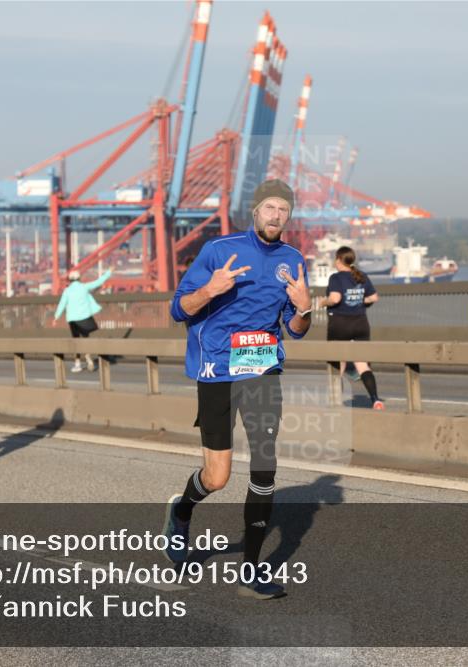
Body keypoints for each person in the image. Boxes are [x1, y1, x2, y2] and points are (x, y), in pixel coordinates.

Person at [163, 178, 312, 600]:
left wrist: (303, 308)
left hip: (262, 368)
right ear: (255, 210)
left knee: (265, 467)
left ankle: (251, 570)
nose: (276, 215)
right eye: (270, 207)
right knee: (218, 476)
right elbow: (178, 309)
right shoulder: (218, 251)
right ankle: (181, 511)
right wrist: (210, 289)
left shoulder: (293, 258)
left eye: (284, 209)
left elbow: (296, 331)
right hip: (217, 370)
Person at [320, 246, 384, 410]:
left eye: (335, 258)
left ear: (339, 260)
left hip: (340, 324)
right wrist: (358, 302)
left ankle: (335, 403)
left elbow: (335, 298)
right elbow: (373, 297)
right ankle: (376, 400)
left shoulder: (336, 278)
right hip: (360, 323)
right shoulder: (362, 276)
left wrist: (323, 302)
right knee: (362, 365)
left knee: (338, 366)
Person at [52, 267, 112, 372]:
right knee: (85, 339)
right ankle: (88, 359)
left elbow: (62, 304)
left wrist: (56, 318)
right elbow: (98, 282)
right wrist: (109, 272)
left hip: (73, 319)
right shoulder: (84, 287)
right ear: (79, 278)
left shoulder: (67, 291)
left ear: (70, 280)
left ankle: (78, 364)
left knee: (76, 341)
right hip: (85, 318)